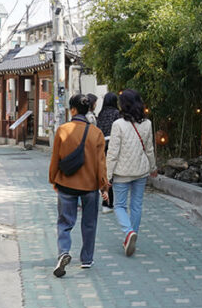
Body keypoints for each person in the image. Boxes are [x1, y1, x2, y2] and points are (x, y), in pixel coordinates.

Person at [48, 94, 109, 276]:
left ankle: (64, 252)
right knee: (89, 223)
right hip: (90, 185)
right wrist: (103, 185)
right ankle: (87, 259)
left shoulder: (62, 130)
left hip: (66, 183)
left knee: (65, 222)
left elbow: (55, 158)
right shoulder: (96, 133)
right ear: (89, 109)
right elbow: (101, 163)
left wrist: (53, 179)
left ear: (72, 110)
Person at [106, 89, 157, 256]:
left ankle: (128, 233)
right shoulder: (147, 124)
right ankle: (131, 236)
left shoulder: (118, 125)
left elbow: (113, 153)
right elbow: (149, 149)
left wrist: (107, 176)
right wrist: (153, 167)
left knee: (119, 205)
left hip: (122, 172)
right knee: (136, 205)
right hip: (141, 171)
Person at [96, 92, 121, 210]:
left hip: (102, 146)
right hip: (113, 145)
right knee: (114, 175)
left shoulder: (100, 114)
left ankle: (106, 202)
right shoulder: (117, 114)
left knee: (106, 175)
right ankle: (114, 203)